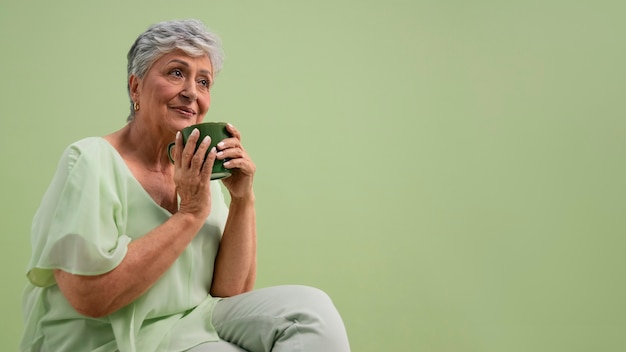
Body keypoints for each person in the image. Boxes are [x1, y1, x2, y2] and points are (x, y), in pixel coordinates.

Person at [20, 19, 351, 352]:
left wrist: (241, 199)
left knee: (311, 310)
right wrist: (189, 214)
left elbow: (230, 293)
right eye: (176, 73)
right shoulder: (91, 160)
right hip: (114, 342)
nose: (192, 92)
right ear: (136, 88)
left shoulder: (197, 171)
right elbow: (89, 298)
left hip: (195, 322)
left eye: (203, 81)